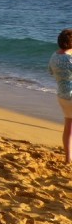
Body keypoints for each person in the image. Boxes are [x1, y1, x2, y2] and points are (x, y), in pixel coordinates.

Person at [49, 28, 72, 163]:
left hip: (62, 96)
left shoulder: (54, 56)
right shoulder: (70, 60)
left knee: (68, 126)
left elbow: (50, 71)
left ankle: (68, 158)